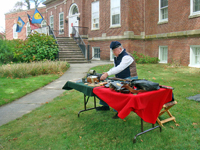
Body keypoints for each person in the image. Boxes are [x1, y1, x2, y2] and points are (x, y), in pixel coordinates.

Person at [97, 41, 138, 119]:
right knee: (107, 89)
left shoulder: (127, 57)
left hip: (130, 79)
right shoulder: (117, 56)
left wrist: (107, 74)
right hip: (121, 78)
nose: (113, 52)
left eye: (114, 50)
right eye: (113, 51)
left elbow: (120, 68)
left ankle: (119, 112)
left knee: (118, 94)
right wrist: (107, 72)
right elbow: (115, 68)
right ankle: (105, 106)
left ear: (120, 49)